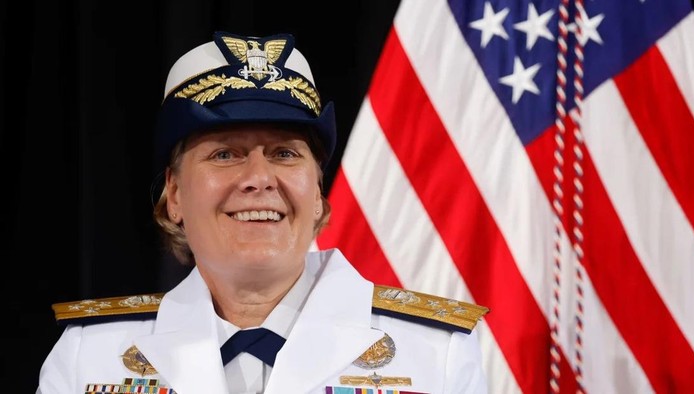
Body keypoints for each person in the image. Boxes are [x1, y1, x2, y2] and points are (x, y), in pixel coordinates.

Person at [37, 31, 490, 394]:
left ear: (316, 194)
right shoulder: (88, 356)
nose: (258, 177)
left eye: (284, 154)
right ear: (173, 196)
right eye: (224, 155)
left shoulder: (437, 352)